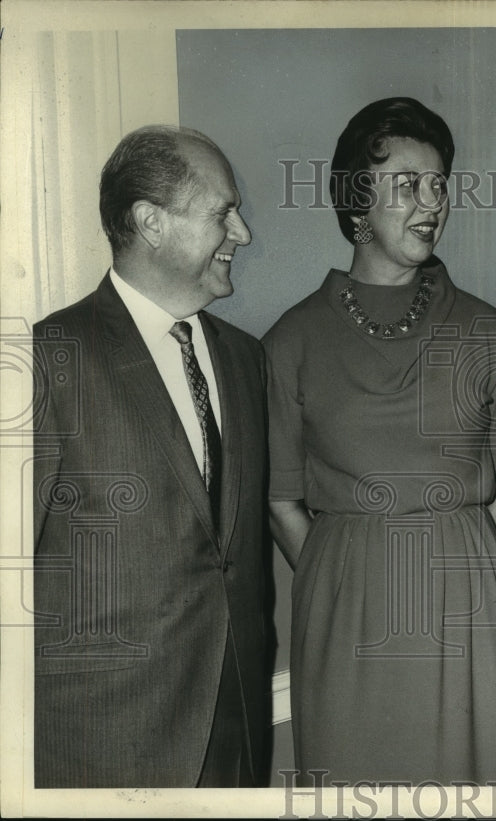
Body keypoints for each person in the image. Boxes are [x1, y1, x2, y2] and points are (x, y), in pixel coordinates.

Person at [264, 97, 496, 784]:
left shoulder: (488, 331)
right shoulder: (290, 341)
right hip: (346, 605)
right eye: (407, 183)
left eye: (439, 183)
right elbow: (281, 500)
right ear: (356, 203)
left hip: (465, 597)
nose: (431, 202)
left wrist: (455, 563)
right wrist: (352, 564)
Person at [33, 125, 270, 787]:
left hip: (236, 729)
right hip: (105, 744)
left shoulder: (246, 359)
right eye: (223, 213)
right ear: (151, 223)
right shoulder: (51, 359)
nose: (243, 234)